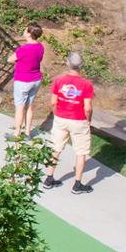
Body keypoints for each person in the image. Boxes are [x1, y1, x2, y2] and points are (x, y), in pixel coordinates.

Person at [42, 51, 97, 194]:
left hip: (61, 118)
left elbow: (53, 102)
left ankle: (49, 178)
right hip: (78, 119)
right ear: (82, 66)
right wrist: (88, 120)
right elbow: (88, 107)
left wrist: (57, 115)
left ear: (67, 63)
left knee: (56, 148)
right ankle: (77, 184)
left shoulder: (58, 81)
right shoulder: (86, 85)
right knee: (81, 152)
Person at [11, 24, 47, 135]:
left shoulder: (23, 49)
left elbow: (10, 59)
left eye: (25, 29)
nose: (24, 30)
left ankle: (17, 133)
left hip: (23, 80)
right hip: (36, 79)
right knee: (29, 106)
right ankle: (27, 132)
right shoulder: (40, 46)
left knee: (20, 107)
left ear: (29, 34)